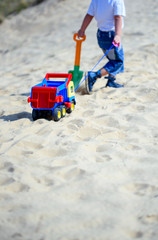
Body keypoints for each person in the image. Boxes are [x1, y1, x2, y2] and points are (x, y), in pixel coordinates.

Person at [77, 0, 126, 93]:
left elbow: (89, 15)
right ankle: (94, 75)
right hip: (111, 34)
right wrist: (118, 35)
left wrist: (82, 30)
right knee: (117, 61)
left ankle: (111, 81)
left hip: (100, 34)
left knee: (113, 58)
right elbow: (118, 17)